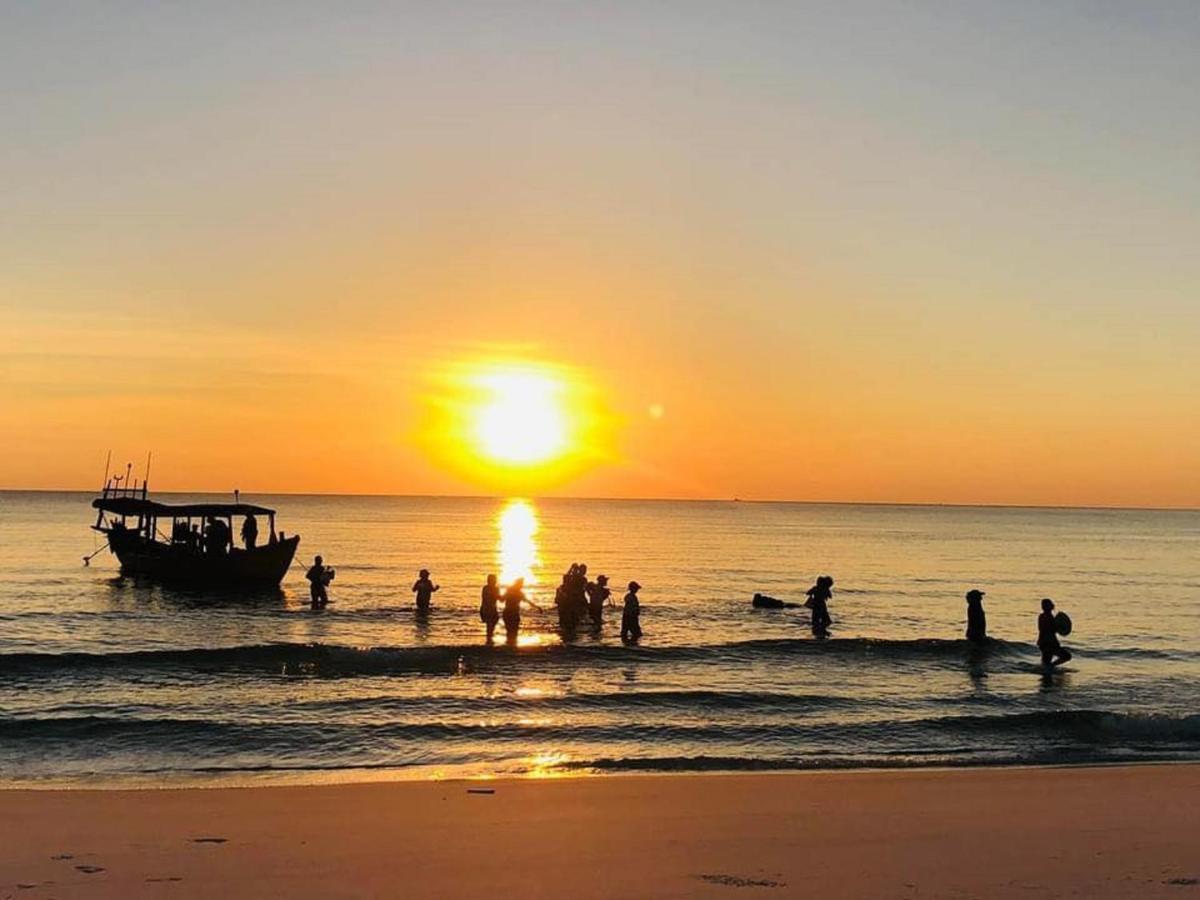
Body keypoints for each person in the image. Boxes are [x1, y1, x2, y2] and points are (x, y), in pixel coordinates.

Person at [1037, 598, 1072, 668]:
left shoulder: (1043, 616)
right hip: (1049, 643)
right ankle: (1051, 667)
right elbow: (1049, 629)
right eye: (1049, 605)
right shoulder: (1047, 617)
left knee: (1046, 662)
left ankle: (1048, 669)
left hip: (1045, 643)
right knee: (1066, 656)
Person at [502, 577, 528, 643]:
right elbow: (527, 601)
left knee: (510, 631)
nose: (522, 585)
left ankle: (510, 645)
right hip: (513, 613)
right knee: (514, 631)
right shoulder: (519, 592)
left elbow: (502, 599)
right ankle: (512, 644)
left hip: (508, 612)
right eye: (521, 584)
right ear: (518, 584)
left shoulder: (510, 590)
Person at [480, 574, 501, 643]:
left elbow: (498, 598)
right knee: (490, 623)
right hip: (488, 608)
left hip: (490, 607)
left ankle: (489, 637)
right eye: (494, 579)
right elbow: (496, 597)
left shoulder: (488, 588)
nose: (495, 581)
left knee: (492, 622)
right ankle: (489, 639)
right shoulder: (489, 588)